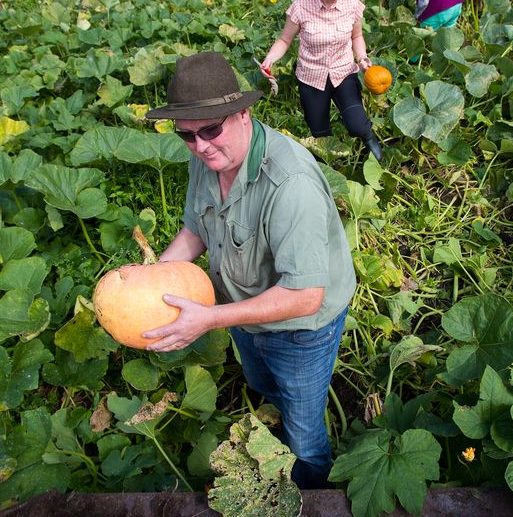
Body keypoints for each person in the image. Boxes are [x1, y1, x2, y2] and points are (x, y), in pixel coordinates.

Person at [143, 51, 357, 490]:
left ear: (242, 113)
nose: (200, 146)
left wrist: (208, 320)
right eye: (187, 136)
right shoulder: (207, 157)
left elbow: (304, 297)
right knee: (263, 383)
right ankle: (280, 414)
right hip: (243, 315)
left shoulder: (289, 183)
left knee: (303, 431)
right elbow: (196, 228)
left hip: (301, 328)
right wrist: (155, 275)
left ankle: (314, 491)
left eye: (210, 130)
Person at [260, 0, 385, 161]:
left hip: (343, 71)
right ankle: (329, 164)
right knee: (319, 132)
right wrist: (270, 58)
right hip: (311, 76)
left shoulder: (351, 4)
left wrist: (362, 58)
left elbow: (357, 36)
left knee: (357, 124)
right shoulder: (301, 7)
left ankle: (369, 137)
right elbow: (284, 40)